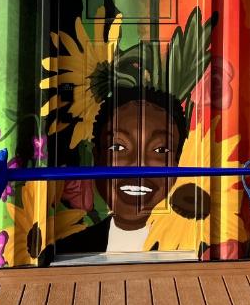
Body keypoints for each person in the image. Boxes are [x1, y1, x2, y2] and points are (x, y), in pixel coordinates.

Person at [55, 85, 187, 253]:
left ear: (178, 162)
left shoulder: (190, 247)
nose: (137, 165)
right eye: (117, 147)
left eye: (160, 150)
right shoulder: (71, 247)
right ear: (97, 157)